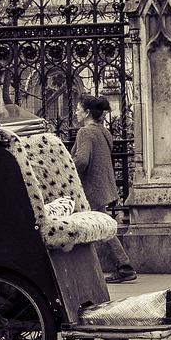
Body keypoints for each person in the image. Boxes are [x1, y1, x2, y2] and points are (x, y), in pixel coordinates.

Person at [74, 93, 138, 284]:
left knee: (101, 229)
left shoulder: (85, 132)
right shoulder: (103, 131)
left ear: (86, 113)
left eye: (78, 109)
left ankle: (124, 266)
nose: (76, 113)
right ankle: (100, 267)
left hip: (90, 189)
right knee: (99, 227)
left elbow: (82, 160)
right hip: (103, 186)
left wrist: (68, 168)